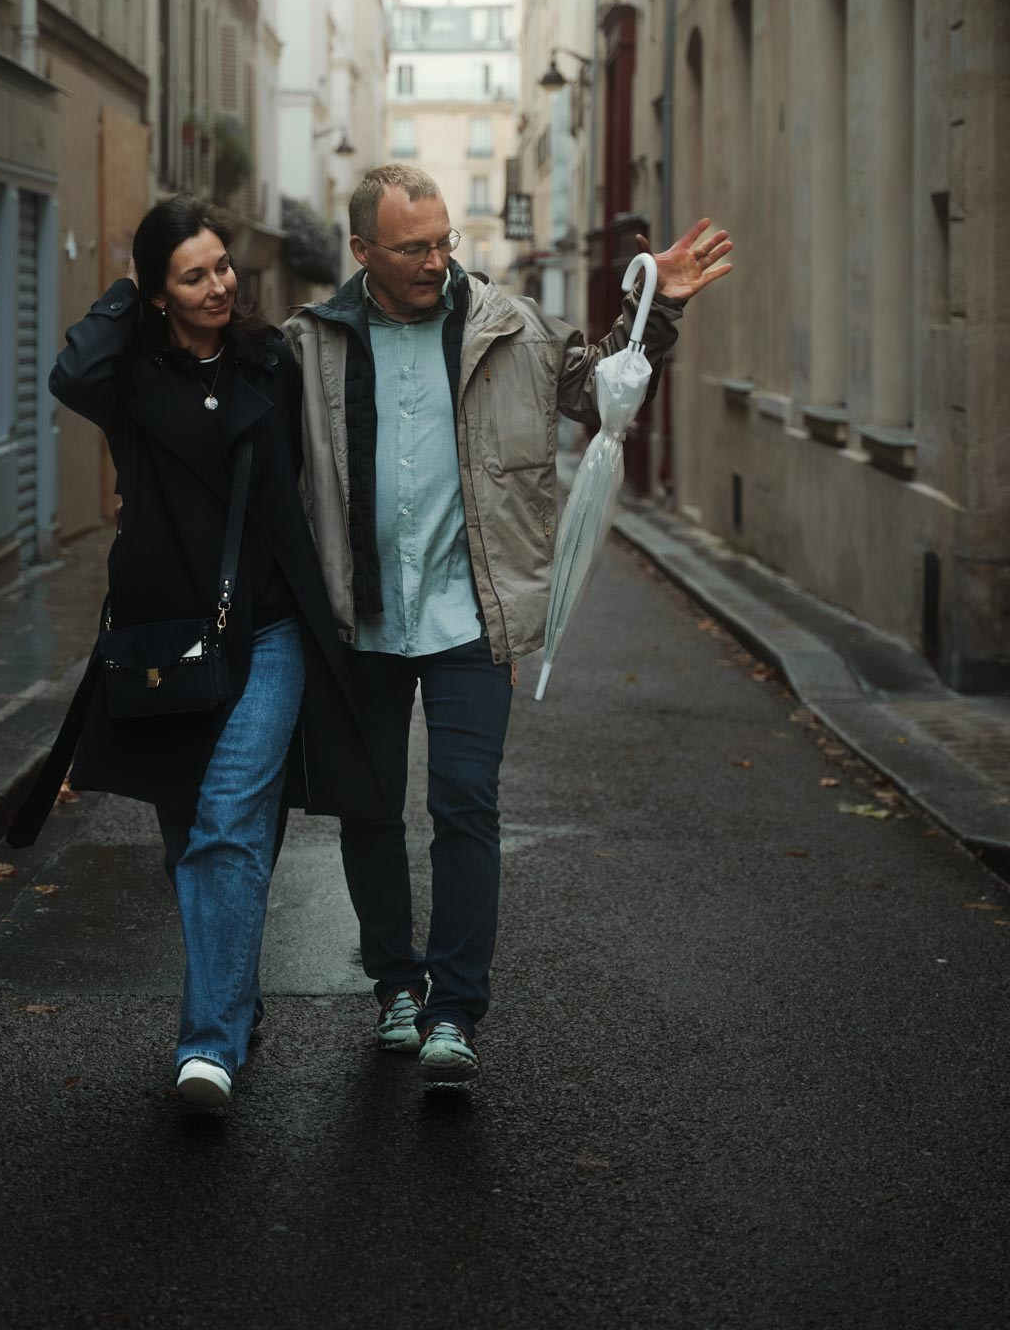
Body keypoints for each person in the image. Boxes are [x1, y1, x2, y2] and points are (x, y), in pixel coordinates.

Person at [283, 163, 732, 1084]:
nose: (436, 260)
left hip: (467, 615)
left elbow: (599, 386)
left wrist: (662, 309)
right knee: (367, 811)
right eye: (413, 247)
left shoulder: (508, 324)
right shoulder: (309, 345)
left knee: (465, 802)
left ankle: (454, 1009)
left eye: (444, 240)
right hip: (357, 615)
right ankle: (394, 988)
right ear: (361, 250)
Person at [7, 195, 383, 1112]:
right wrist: (125, 294)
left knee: (223, 818)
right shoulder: (128, 374)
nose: (218, 286)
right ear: (157, 293)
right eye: (193, 274)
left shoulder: (270, 359)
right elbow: (71, 373)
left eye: (222, 267)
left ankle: (207, 1046)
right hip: (166, 644)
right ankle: (236, 997)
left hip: (268, 626)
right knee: (192, 832)